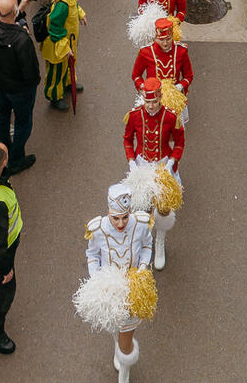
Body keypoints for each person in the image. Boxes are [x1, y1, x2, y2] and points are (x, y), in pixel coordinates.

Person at [79, 183, 154, 383]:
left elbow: (147, 245)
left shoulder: (140, 224)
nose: (120, 224)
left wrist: (143, 267)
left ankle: (124, 371)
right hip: (109, 291)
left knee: (126, 335)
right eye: (115, 218)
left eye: (124, 218)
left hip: (132, 290)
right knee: (114, 326)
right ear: (107, 213)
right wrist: (97, 280)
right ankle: (118, 345)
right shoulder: (98, 229)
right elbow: (92, 254)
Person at [122, 78, 185, 269]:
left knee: (164, 209)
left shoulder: (171, 117)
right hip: (141, 167)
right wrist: (132, 161)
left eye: (154, 102)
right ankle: (145, 241)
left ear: (160, 98)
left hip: (163, 167)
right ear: (142, 99)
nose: (151, 106)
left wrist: (172, 162)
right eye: (147, 102)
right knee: (142, 207)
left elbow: (180, 142)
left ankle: (160, 242)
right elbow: (127, 139)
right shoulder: (133, 116)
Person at [0, 0, 40, 174]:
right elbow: (31, 72)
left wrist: (19, 13)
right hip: (19, 90)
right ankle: (16, 159)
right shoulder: (22, 40)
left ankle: (2, 150)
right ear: (14, 12)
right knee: (23, 122)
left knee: (2, 118)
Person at [41, 0, 87, 110]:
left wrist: (80, 14)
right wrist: (65, 48)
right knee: (56, 71)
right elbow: (55, 28)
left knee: (67, 66)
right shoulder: (62, 5)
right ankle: (54, 96)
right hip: (60, 46)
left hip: (69, 41)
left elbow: (75, 5)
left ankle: (68, 83)